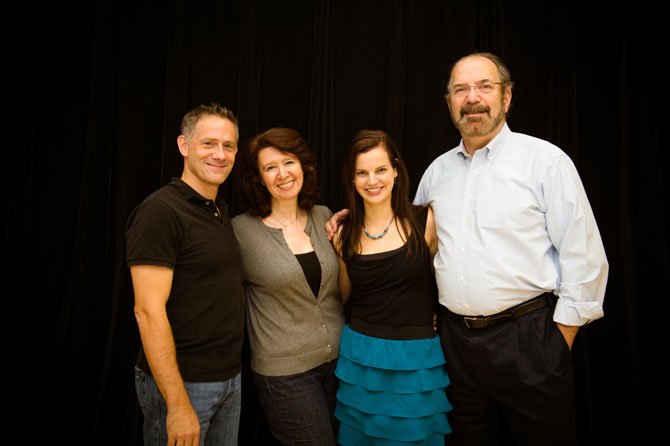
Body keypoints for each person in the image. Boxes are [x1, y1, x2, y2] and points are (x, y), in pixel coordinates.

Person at [327, 52, 609, 446]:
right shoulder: (436, 174)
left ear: (506, 97)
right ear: (449, 103)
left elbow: (586, 259)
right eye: (461, 89)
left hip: (528, 341)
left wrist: (556, 343)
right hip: (455, 347)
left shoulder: (545, 162)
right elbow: (400, 232)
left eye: (484, 86)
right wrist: (349, 219)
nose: (472, 97)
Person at [125, 103, 244, 446]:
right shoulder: (160, 211)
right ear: (183, 145)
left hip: (229, 380)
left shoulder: (218, 210)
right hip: (184, 385)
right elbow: (147, 312)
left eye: (228, 146)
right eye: (208, 143)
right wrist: (177, 404)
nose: (219, 154)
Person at [331, 129, 452, 445]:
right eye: (362, 173)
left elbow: (451, 283)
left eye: (381, 169)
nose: (372, 181)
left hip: (416, 362)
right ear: (353, 179)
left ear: (396, 170)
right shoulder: (343, 234)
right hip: (361, 359)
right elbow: (343, 296)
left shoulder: (426, 222)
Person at [231, 127, 345, 445]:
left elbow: (343, 291)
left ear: (303, 166)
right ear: (259, 178)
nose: (282, 174)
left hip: (340, 365)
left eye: (289, 162)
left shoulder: (324, 216)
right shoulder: (241, 232)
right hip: (285, 375)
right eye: (270, 167)